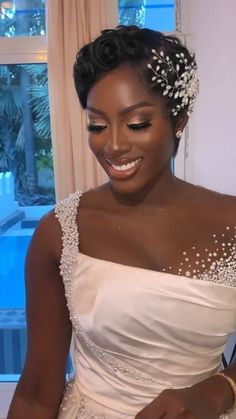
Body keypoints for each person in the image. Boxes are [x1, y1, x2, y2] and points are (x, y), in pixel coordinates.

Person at [7, 25, 236, 419]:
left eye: (136, 124)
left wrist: (220, 389)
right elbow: (36, 393)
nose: (112, 145)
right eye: (96, 125)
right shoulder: (60, 232)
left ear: (178, 119)